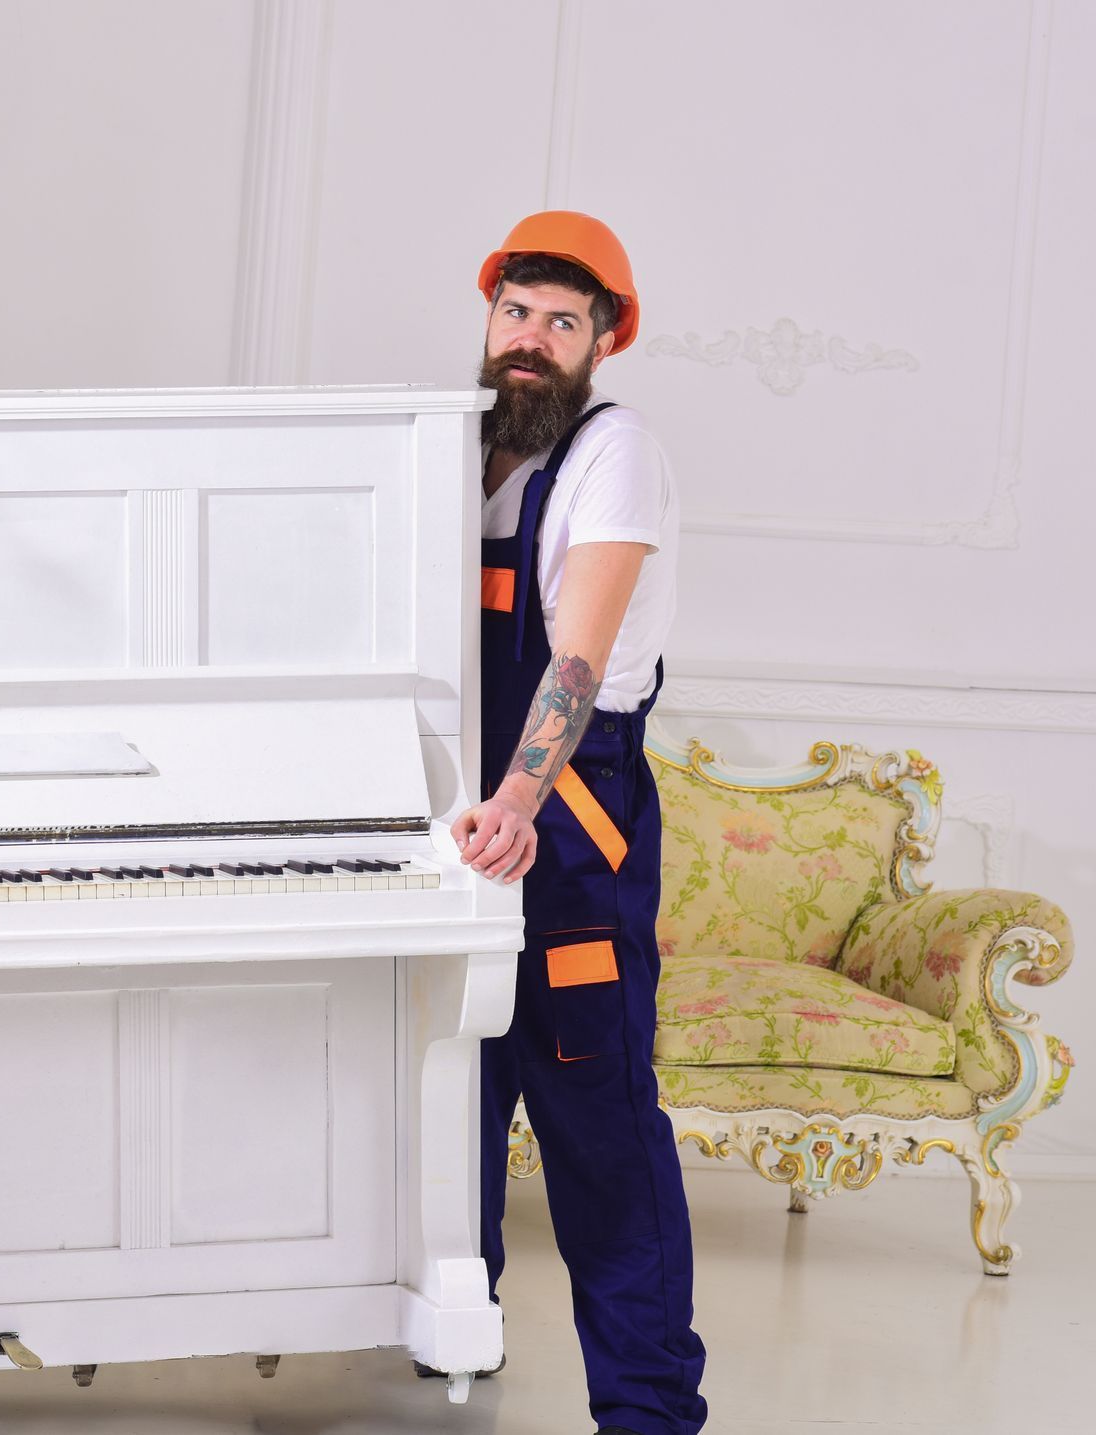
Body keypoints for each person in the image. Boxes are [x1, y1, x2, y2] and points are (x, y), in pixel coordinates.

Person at [452, 211, 707, 1435]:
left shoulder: (615, 453)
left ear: (603, 338)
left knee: (598, 1131)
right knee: (447, 1115)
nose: (533, 341)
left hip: (569, 836)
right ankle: (454, 1350)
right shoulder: (458, 451)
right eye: (518, 313)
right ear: (490, 314)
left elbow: (579, 654)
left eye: (564, 321)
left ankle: (650, 1412)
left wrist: (517, 799)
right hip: (463, 836)